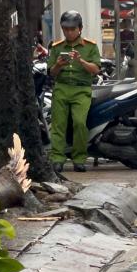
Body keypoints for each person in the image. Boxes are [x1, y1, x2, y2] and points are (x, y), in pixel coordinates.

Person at [47, 10, 101, 174]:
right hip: (62, 88)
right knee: (58, 125)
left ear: (80, 28)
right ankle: (57, 159)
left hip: (81, 89)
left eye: (72, 29)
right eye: (66, 29)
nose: (69, 32)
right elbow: (52, 73)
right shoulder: (57, 48)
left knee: (79, 123)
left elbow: (96, 70)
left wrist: (81, 60)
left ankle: (79, 159)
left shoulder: (90, 46)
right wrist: (58, 65)